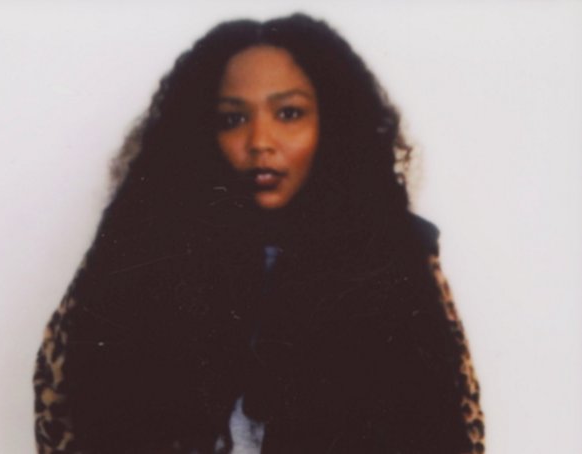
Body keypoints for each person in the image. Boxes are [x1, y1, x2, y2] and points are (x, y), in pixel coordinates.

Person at [34, 13, 484, 453]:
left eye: (289, 113)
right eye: (232, 119)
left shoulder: (394, 256)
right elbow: (63, 411)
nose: (260, 141)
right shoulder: (140, 252)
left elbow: (453, 431)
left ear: (332, 123)